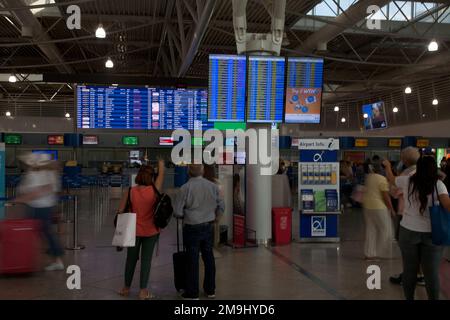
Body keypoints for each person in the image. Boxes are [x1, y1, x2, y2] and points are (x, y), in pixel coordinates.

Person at [383, 157, 450, 300]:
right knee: (431, 273)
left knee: (409, 271)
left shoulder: (407, 181)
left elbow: (391, 178)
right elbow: (448, 206)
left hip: (408, 231)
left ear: (418, 168)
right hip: (432, 234)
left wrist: (388, 166)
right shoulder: (439, 185)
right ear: (434, 168)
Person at [174, 164, 225, 300]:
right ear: (202, 171)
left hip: (191, 227)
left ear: (188, 172)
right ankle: (210, 290)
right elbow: (221, 205)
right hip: (208, 226)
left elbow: (178, 211)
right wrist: (216, 218)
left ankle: (192, 293)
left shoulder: (185, 188)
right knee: (208, 257)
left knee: (192, 259)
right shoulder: (213, 186)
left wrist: (184, 214)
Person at [117, 159, 165, 300]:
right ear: (151, 177)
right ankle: (143, 291)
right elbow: (161, 173)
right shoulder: (154, 190)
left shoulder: (130, 191)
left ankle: (126, 288)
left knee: (131, 259)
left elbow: (120, 211)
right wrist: (160, 163)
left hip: (133, 231)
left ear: (138, 175)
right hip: (151, 231)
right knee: (146, 260)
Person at [15, 153, 64, 271]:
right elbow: (54, 191)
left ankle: (55, 259)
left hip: (38, 207)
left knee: (42, 233)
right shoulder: (51, 173)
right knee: (44, 233)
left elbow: (39, 192)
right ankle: (51, 258)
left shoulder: (36, 174)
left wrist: (20, 199)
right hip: (44, 206)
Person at [388, 147, 423, 286]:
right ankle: (419, 274)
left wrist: (388, 169)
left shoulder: (407, 174)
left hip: (405, 215)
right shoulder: (425, 172)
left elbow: (395, 192)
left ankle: (409, 276)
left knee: (407, 248)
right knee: (419, 248)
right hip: (421, 216)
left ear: (404, 159)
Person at [362, 158, 394, 260]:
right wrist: (391, 209)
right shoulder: (382, 179)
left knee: (371, 230)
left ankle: (369, 254)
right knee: (387, 230)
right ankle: (380, 252)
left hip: (367, 206)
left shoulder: (369, 177)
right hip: (379, 207)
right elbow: (385, 196)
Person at [203, 164, 223, 248]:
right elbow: (221, 203)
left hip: (199, 218)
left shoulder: (199, 183)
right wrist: (218, 215)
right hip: (212, 214)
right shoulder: (217, 183)